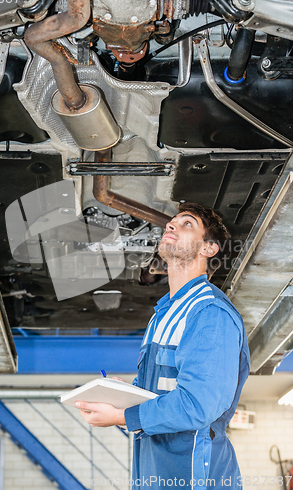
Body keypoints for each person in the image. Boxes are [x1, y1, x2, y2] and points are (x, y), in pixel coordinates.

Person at [75, 202, 250, 489]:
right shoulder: (165, 312)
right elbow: (162, 389)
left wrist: (123, 416)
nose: (170, 225)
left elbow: (198, 405)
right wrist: (126, 394)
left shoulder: (209, 312)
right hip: (156, 468)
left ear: (209, 248)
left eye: (187, 224)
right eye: (172, 222)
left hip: (193, 471)